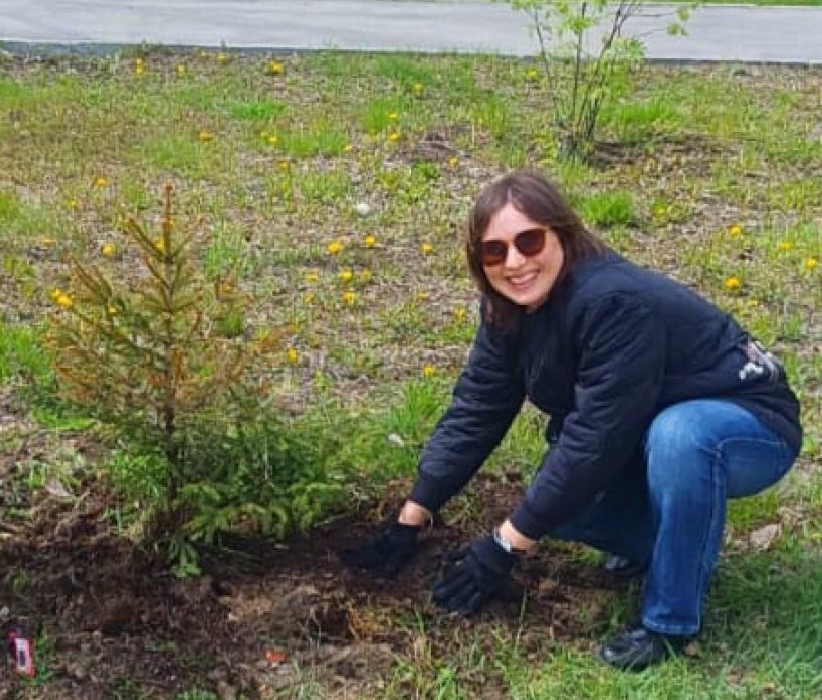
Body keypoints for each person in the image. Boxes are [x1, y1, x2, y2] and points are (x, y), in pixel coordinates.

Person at [340, 170, 801, 671]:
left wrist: (504, 546)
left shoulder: (612, 302)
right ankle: (670, 542)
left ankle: (669, 623)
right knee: (559, 504)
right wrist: (413, 514)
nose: (515, 262)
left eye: (529, 240)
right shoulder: (507, 308)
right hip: (645, 423)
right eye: (495, 251)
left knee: (680, 439)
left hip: (746, 422)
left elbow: (596, 438)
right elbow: (477, 408)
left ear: (562, 232)